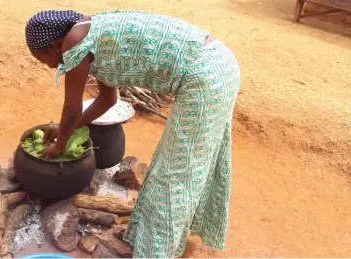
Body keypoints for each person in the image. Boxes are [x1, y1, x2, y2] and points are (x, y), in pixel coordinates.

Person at [25, 10, 240, 258]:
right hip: (215, 65)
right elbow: (107, 100)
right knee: (170, 165)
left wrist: (60, 143)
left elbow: (72, 109)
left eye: (43, 60)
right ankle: (146, 236)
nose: (50, 66)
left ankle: (155, 252)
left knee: (175, 175)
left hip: (205, 77)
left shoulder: (74, 43)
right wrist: (65, 129)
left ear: (53, 46)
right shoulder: (91, 34)